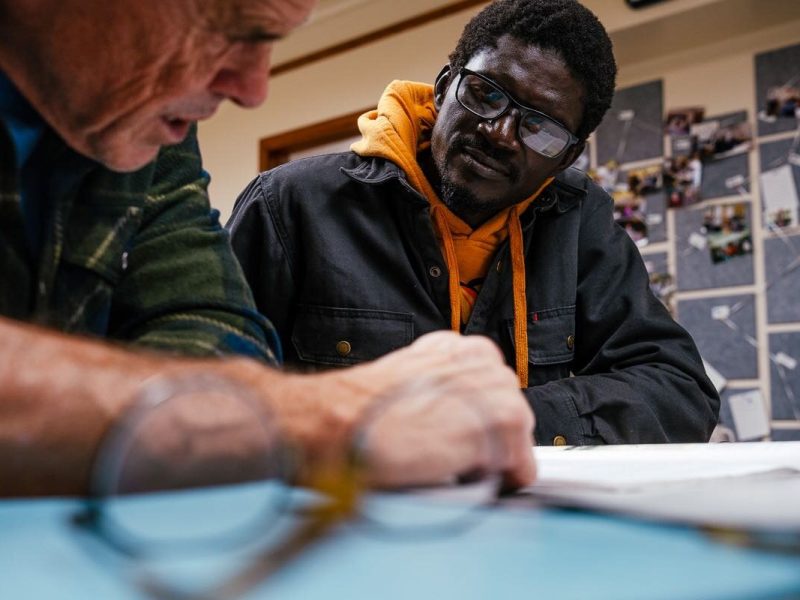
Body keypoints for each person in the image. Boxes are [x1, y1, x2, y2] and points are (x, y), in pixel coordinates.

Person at [0, 0, 536, 496]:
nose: (253, 89)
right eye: (224, 24)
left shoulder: (142, 126)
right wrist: (320, 420)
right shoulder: (281, 194)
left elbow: (219, 330)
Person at [228, 0, 720, 445]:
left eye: (540, 127)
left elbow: (679, 389)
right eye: (486, 95)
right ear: (444, 89)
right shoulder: (290, 204)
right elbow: (204, 390)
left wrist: (504, 418)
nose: (500, 134)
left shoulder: (579, 224)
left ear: (566, 156)